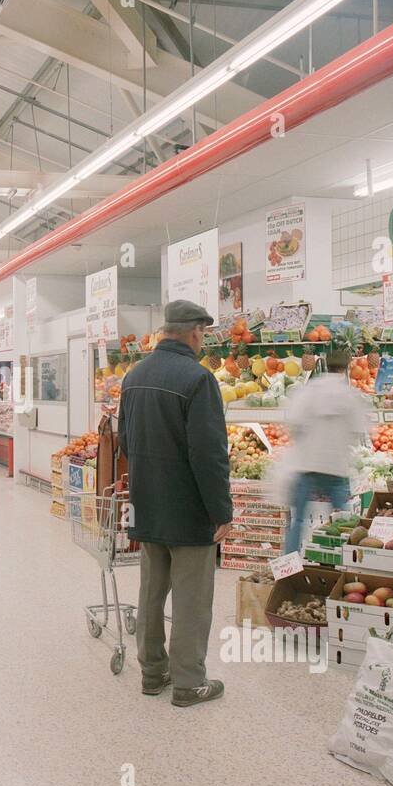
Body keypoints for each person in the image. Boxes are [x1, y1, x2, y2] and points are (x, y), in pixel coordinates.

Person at [118, 300, 232, 707]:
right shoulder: (198, 379)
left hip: (147, 502)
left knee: (151, 590)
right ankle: (188, 682)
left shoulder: (133, 376)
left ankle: (152, 672)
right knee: (192, 598)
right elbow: (210, 454)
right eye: (203, 332)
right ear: (195, 331)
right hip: (189, 508)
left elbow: (126, 443)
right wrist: (221, 511)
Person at [280, 349, 371, 556]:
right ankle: (342, 561)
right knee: (343, 522)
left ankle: (290, 565)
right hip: (337, 467)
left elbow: (293, 423)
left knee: (298, 520)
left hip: (306, 465)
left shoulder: (309, 390)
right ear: (346, 367)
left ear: (325, 364)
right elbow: (358, 430)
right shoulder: (350, 395)